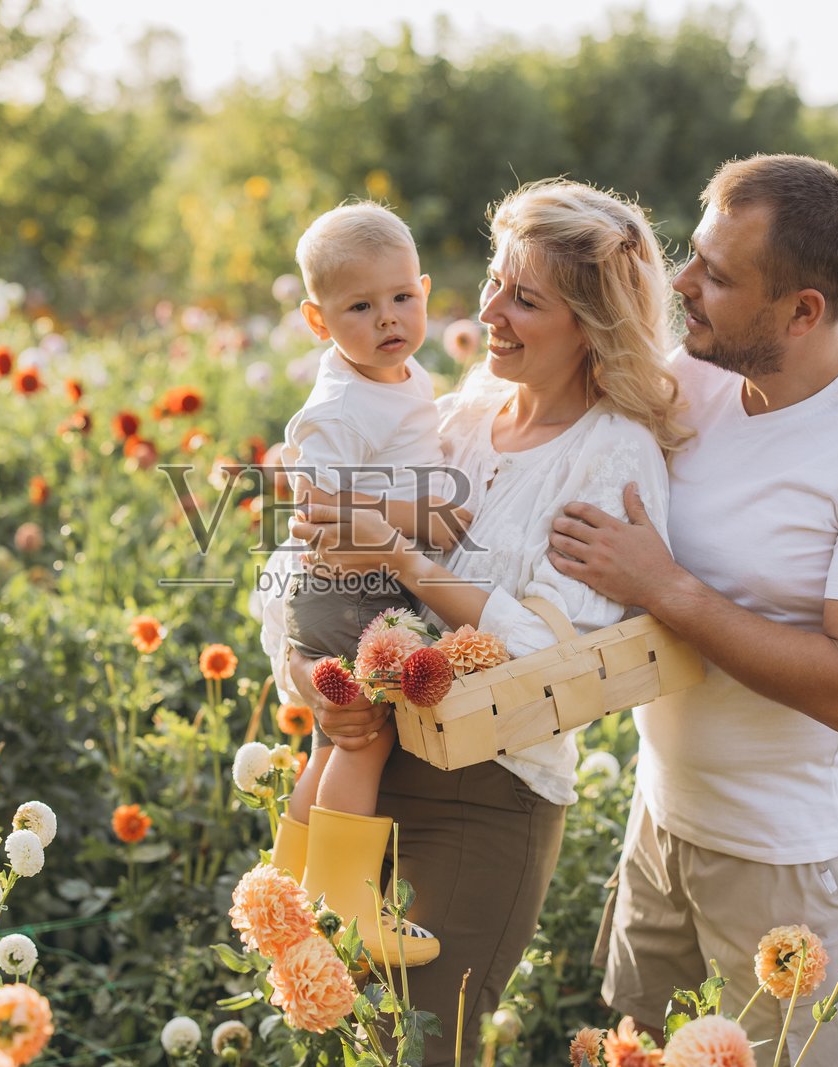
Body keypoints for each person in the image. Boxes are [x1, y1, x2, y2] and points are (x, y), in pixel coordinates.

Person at [257, 178, 690, 1064]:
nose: (486, 310)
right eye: (493, 279)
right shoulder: (450, 418)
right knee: (341, 1038)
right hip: (368, 769)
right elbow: (289, 568)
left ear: (591, 326)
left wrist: (405, 558)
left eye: (524, 298)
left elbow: (554, 655)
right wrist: (314, 684)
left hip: (485, 792)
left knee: (422, 1047)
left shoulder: (612, 456)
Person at [547, 155, 838, 1062]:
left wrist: (665, 587)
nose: (684, 285)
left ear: (803, 310)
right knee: (640, 1049)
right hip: (663, 818)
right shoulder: (691, 380)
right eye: (695, 256)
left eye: (718, 277)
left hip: (787, 861)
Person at [272, 201, 471, 969]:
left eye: (401, 298)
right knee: (366, 732)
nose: (388, 318)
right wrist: (416, 515)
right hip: (345, 588)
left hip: (358, 584)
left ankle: (290, 877)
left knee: (334, 735)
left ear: (423, 289)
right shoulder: (341, 404)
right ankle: (350, 898)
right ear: (319, 322)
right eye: (360, 307)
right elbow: (321, 512)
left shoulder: (397, 372)